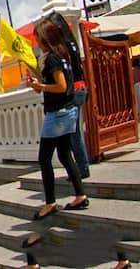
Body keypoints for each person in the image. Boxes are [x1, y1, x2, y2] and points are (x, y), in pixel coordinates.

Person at [27, 17, 88, 220]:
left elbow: (61, 86)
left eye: (38, 38)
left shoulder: (53, 59)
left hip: (57, 114)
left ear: (45, 38)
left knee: (44, 158)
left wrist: (42, 87)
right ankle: (80, 195)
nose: (37, 42)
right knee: (64, 154)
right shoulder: (63, 55)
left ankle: (50, 202)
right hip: (68, 110)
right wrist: (40, 85)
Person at [46, 11, 90, 179]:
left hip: (73, 90)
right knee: (73, 133)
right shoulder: (72, 43)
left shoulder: (61, 48)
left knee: (73, 134)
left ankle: (82, 169)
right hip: (81, 87)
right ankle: (81, 167)